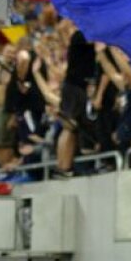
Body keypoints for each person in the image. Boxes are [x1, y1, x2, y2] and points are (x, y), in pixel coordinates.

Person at [56, 31, 96, 177]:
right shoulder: (80, 35)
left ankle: (65, 165)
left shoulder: (79, 36)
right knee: (69, 126)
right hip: (74, 86)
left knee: (73, 127)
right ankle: (63, 166)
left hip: (75, 86)